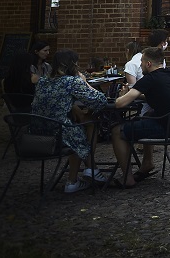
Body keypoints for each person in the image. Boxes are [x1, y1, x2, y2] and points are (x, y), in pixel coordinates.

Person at [110, 46, 170, 187]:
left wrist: (122, 95)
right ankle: (147, 163)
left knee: (117, 131)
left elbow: (119, 104)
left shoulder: (149, 79)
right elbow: (159, 94)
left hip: (169, 129)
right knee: (147, 115)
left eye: (142, 61)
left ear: (148, 64)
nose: (140, 64)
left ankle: (127, 178)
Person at [31, 49, 111, 192]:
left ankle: (91, 169)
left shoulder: (43, 81)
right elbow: (100, 101)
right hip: (58, 132)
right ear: (73, 64)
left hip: (36, 131)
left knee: (84, 122)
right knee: (86, 126)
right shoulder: (71, 81)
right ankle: (74, 180)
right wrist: (84, 82)